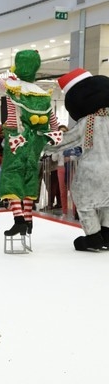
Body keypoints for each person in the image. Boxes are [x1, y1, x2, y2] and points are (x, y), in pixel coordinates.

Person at [0, 50, 61, 238]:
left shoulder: (12, 88)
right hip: (36, 143)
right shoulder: (43, 94)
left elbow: (11, 119)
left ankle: (19, 221)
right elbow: (54, 124)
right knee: (30, 178)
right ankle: (29, 220)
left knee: (12, 177)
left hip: (17, 140)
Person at [47, 67, 109, 251]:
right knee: (108, 201)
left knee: (83, 199)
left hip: (92, 169)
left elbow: (64, 140)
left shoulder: (88, 121)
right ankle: (106, 233)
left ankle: (93, 237)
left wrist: (39, 141)